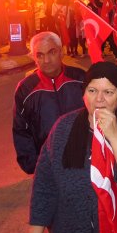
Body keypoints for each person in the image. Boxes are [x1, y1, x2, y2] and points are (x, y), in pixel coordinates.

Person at [29, 62, 117, 233]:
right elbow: (45, 183)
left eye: (108, 92)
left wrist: (116, 136)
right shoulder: (63, 128)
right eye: (92, 90)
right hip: (71, 231)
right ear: (83, 94)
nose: (99, 99)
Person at [12, 32, 86, 174]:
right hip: (48, 166)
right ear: (34, 58)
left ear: (61, 51)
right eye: (40, 55)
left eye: (51, 52)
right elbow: (21, 130)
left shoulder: (81, 78)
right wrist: (34, 166)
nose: (46, 60)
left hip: (84, 160)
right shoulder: (25, 89)